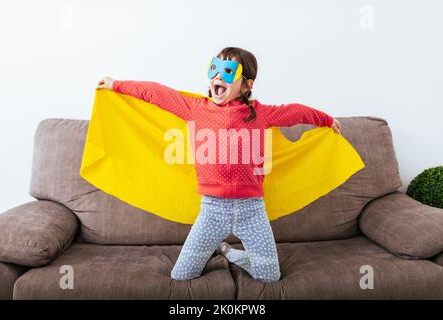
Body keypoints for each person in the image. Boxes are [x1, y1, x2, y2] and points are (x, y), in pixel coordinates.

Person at [97, 46, 342, 283]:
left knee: (269, 277)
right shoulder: (195, 109)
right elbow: (156, 93)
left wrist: (326, 119)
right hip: (212, 211)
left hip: (252, 211)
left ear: (247, 84)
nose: (218, 76)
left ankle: (230, 254)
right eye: (214, 67)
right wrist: (116, 84)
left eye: (228, 71)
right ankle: (219, 251)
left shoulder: (260, 114)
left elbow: (295, 112)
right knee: (181, 275)